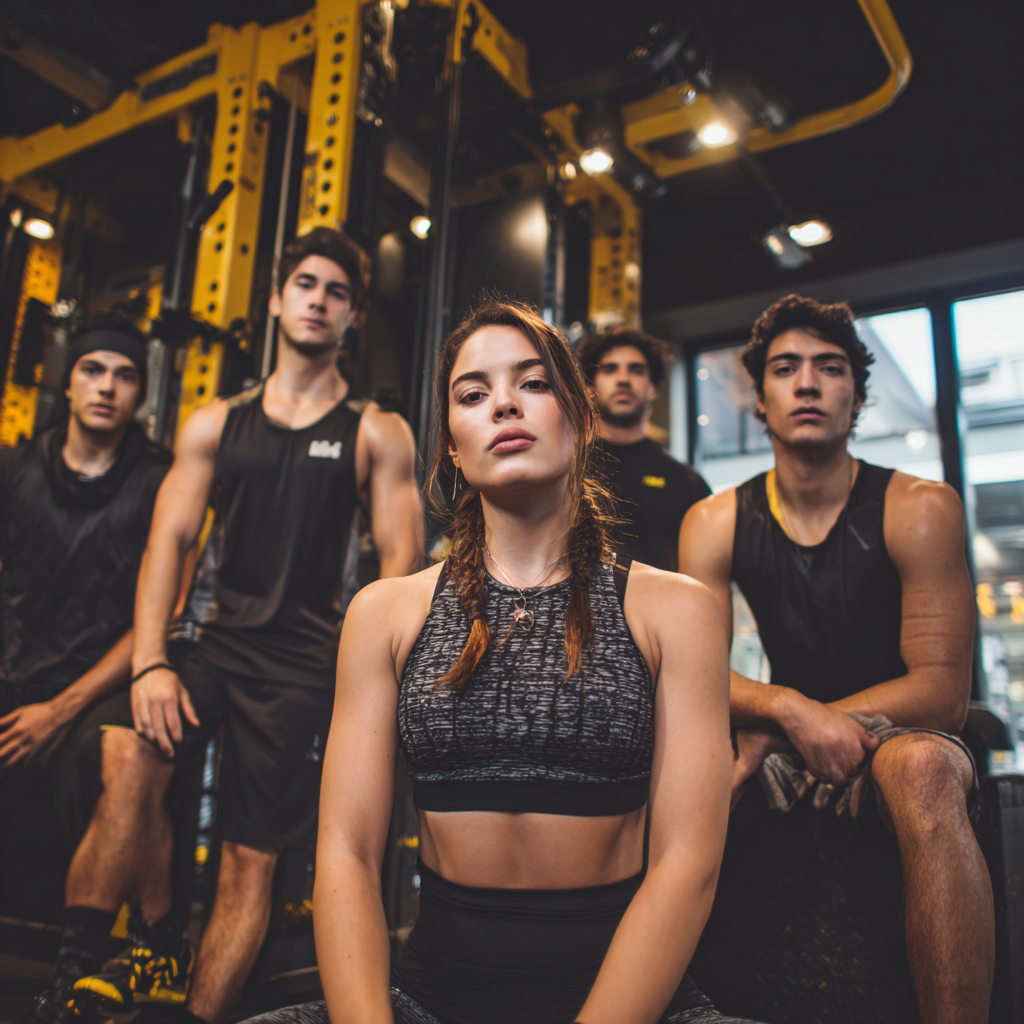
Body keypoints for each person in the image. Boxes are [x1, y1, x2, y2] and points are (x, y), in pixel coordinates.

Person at [248, 300, 763, 1024]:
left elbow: (688, 863)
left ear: (579, 421)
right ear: (454, 447)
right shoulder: (385, 614)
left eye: (533, 383)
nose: (504, 405)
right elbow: (346, 853)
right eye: (473, 393)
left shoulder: (672, 610)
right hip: (434, 1000)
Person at [50, 227, 424, 1024]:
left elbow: (402, 567)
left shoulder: (376, 432)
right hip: (211, 644)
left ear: (353, 315)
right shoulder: (214, 424)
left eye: (337, 293)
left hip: (304, 668)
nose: (319, 301)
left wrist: (364, 688)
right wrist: (151, 660)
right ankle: (100, 954)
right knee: (129, 751)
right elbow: (170, 544)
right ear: (277, 300)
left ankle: (198, 1015)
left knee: (247, 863)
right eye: (307, 285)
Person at [678, 294, 995, 1024]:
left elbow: (942, 691)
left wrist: (794, 717)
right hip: (782, 738)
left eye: (830, 368)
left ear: (857, 394)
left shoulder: (921, 506)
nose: (809, 383)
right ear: (760, 399)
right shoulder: (715, 520)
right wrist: (782, 709)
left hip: (898, 733)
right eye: (786, 369)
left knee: (925, 767)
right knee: (675, 768)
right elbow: (692, 675)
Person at [0, 312, 173, 1021]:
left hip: (97, 686)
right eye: (94, 370)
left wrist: (58, 710)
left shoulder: (162, 479)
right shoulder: (16, 466)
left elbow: (154, 622)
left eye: (126, 374)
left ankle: (75, 967)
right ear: (66, 381)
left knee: (132, 748)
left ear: (142, 393)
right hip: (16, 672)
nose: (108, 386)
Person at [576, 328, 709, 572]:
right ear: (589, 388)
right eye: (610, 369)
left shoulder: (687, 483)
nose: (624, 379)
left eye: (636, 370)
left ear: (653, 388)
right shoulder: (566, 470)